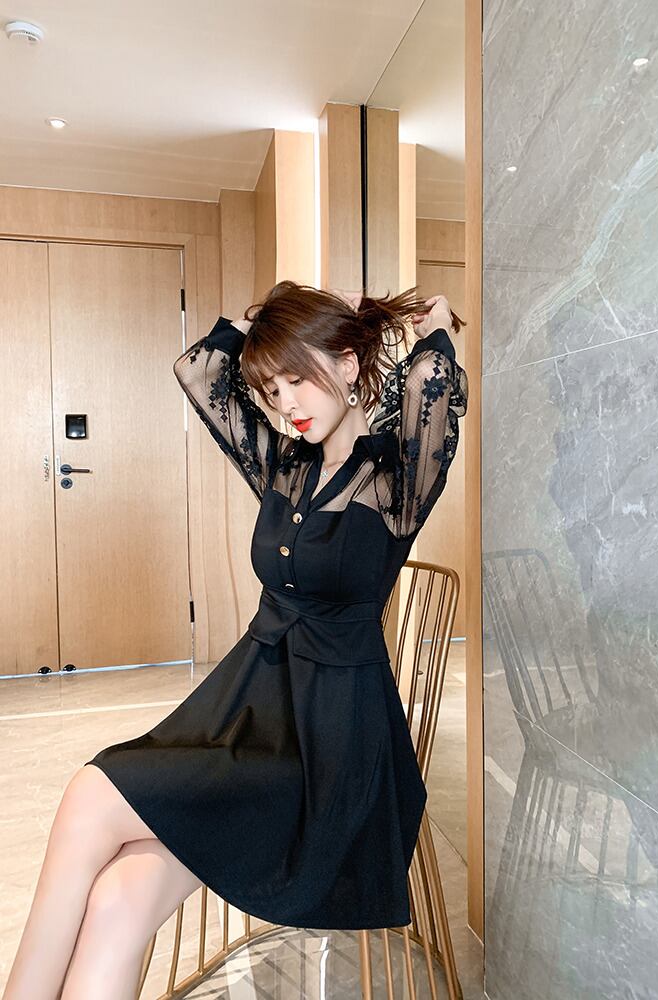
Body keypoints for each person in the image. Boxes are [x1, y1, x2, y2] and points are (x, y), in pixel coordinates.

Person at [3, 282, 469, 1000]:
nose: (285, 405)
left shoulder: (394, 481)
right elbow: (200, 368)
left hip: (328, 753)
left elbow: (430, 388)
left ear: (348, 365)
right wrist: (272, 328)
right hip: (250, 716)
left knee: (90, 798)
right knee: (119, 899)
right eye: (272, 390)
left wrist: (434, 326)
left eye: (297, 380)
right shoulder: (285, 465)